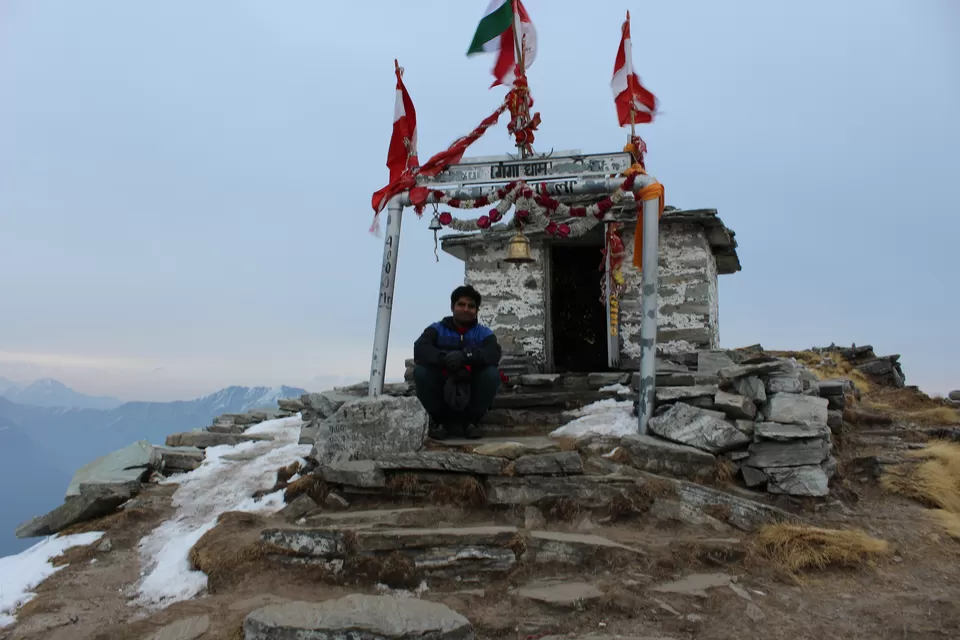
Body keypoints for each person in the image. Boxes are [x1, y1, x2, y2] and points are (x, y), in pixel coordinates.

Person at [413, 285, 502, 440]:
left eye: (471, 306)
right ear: (452, 307)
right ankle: (440, 422)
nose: (466, 309)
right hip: (443, 379)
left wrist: (465, 357)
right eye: (461, 304)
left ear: (476, 310)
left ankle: (471, 422)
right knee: (421, 373)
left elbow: (493, 353)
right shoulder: (436, 329)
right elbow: (420, 349)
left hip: (471, 381)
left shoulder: (483, 333)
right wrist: (446, 359)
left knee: (491, 375)